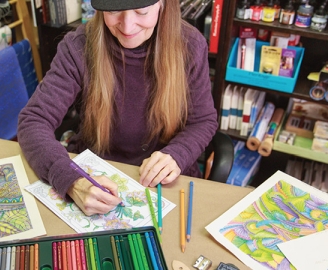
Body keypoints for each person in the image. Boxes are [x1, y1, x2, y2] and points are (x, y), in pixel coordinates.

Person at [18, 0, 218, 216]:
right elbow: (34, 121)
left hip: (165, 183)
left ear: (163, 4)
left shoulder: (190, 44)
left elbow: (203, 120)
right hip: (96, 170)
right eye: (113, 11)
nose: (127, 26)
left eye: (142, 12)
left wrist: (179, 153)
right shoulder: (78, 46)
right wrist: (71, 180)